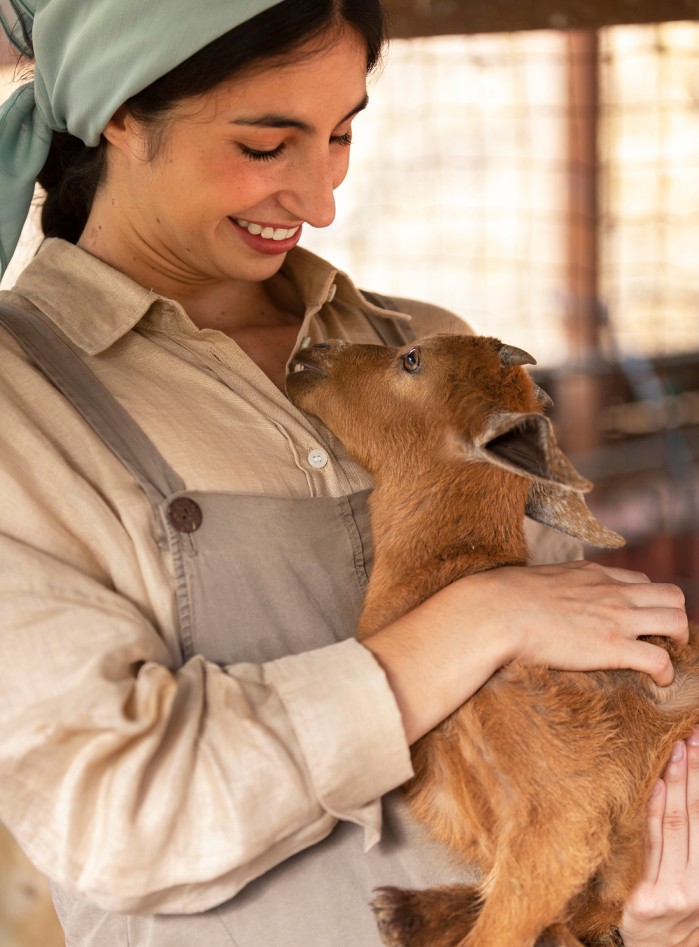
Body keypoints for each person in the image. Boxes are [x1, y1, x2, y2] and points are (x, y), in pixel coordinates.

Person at [0, 1, 695, 944]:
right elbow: (126, 820)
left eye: (340, 133)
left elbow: (592, 732)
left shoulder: (437, 352)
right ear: (122, 113)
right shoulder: (24, 404)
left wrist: (654, 912)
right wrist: (478, 617)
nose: (321, 199)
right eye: (263, 144)